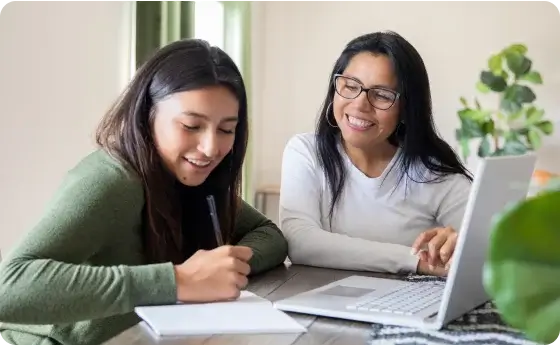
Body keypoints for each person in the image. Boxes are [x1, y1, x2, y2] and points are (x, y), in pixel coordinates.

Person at [0, 39, 288, 346]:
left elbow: (269, 234)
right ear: (147, 115)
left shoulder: (191, 179)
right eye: (191, 126)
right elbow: (9, 287)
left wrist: (225, 269)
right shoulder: (110, 182)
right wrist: (178, 280)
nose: (210, 148)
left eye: (226, 129)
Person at [279, 31, 472, 277]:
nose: (360, 104)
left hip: (405, 307)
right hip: (317, 302)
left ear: (406, 109)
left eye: (381, 95)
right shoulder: (306, 152)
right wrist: (416, 261)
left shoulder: (433, 174)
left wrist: (461, 243)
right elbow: (301, 243)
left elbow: (490, 248)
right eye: (350, 86)